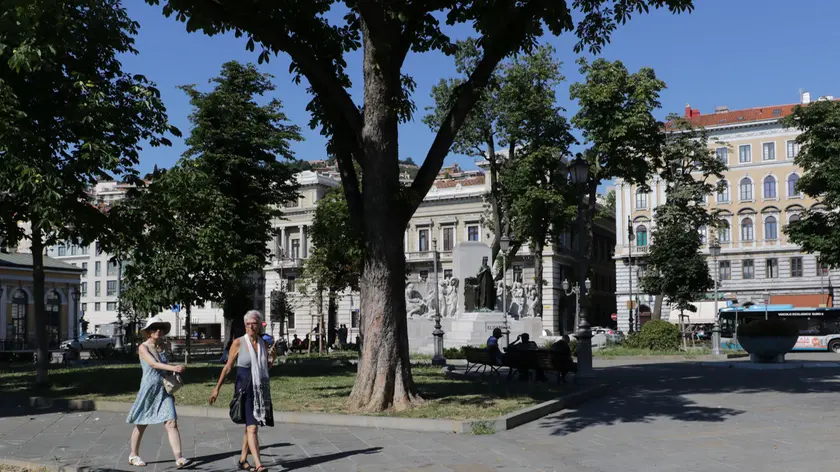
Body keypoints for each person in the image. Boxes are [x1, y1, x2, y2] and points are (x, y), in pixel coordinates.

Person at [210, 310, 276, 472]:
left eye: (253, 323)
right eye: (247, 324)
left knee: (250, 426)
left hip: (259, 390)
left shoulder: (262, 343)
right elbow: (228, 367)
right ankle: (259, 465)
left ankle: (242, 460)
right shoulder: (238, 343)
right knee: (252, 427)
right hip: (244, 388)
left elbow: (264, 368)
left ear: (260, 325)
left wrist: (272, 359)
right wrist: (216, 389)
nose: (250, 327)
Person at [126, 316, 191, 468]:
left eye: (161, 328)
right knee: (142, 423)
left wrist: (173, 372)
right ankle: (133, 455)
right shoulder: (143, 347)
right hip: (149, 389)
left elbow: (162, 366)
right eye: (155, 328)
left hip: (163, 389)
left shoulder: (163, 346)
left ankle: (179, 457)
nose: (158, 331)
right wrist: (174, 368)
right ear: (148, 332)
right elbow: (153, 364)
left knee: (171, 422)